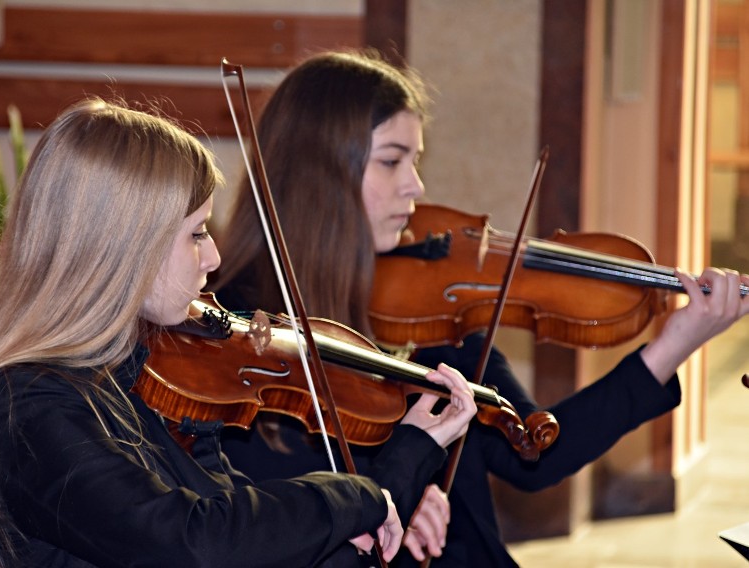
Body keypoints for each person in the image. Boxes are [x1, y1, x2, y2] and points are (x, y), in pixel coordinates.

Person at [209, 49, 749, 567]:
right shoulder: (236, 328)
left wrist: (675, 344)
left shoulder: (429, 309)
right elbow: (250, 514)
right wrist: (394, 490)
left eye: (415, 161)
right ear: (318, 172)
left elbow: (533, 453)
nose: (415, 186)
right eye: (392, 161)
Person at [0, 97, 479, 568]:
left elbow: (251, 545)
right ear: (122, 246)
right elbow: (194, 544)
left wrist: (398, 472)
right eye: (196, 234)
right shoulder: (30, 405)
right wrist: (357, 498)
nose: (214, 257)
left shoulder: (136, 381)